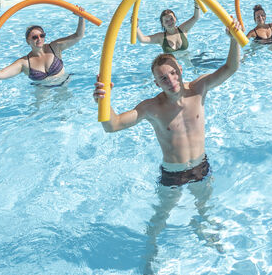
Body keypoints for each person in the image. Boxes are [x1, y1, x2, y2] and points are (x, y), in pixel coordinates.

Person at [93, 25, 240, 273]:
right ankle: (150, 250)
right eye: (163, 78)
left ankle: (202, 227)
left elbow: (231, 67)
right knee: (159, 219)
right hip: (172, 174)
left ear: (180, 70)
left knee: (204, 206)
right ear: (156, 82)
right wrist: (103, 101)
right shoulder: (152, 107)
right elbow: (113, 126)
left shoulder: (199, 89)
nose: (171, 80)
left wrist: (234, 39)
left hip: (201, 167)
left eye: (173, 73)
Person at [0, 12, 86, 87]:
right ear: (28, 41)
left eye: (42, 35)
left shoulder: (55, 47)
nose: (39, 39)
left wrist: (81, 17)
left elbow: (78, 36)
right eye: (34, 37)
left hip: (63, 84)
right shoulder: (24, 63)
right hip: (42, 91)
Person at [135, 2, 201, 53]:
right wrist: (136, 26)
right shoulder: (161, 37)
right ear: (162, 24)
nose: (169, 22)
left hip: (187, 61)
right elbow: (142, 39)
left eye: (171, 19)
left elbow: (195, 17)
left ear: (175, 18)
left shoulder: (183, 29)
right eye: (166, 21)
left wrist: (196, 3)